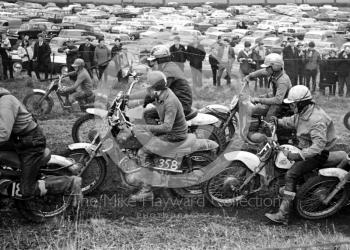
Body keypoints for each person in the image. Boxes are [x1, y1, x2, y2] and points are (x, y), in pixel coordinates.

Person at [265, 85, 336, 225]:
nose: (291, 106)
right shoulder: (304, 112)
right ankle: (290, 190)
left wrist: (298, 156)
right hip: (304, 147)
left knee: (291, 174)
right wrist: (277, 121)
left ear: (301, 102)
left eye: (293, 103)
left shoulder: (317, 119)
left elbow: (318, 146)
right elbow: (293, 121)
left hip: (316, 154)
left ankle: (283, 215)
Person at [128, 71, 188, 201]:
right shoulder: (160, 93)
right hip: (169, 131)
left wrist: (144, 128)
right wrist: (128, 97)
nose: (146, 88)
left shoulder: (170, 102)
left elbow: (167, 127)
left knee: (142, 153)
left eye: (148, 86)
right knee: (147, 113)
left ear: (155, 88)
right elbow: (144, 94)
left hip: (174, 135)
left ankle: (147, 192)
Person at [0, 87, 46, 198]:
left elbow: (3, 134)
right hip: (18, 139)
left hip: (31, 142)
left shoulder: (5, 102)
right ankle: (6, 175)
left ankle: (70, 183)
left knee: (26, 190)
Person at [132, 45, 192, 117]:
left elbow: (157, 91)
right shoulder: (168, 68)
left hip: (181, 105)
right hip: (177, 102)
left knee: (147, 114)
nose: (152, 64)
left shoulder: (169, 71)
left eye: (153, 61)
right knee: (152, 107)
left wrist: (140, 101)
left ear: (160, 60)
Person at [244, 53, 292, 120]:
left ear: (275, 67)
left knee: (267, 120)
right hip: (275, 96)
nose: (265, 69)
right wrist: (250, 76)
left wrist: (259, 100)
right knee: (256, 104)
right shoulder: (274, 72)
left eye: (267, 67)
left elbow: (278, 100)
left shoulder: (282, 80)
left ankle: (267, 127)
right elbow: (262, 72)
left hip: (283, 105)